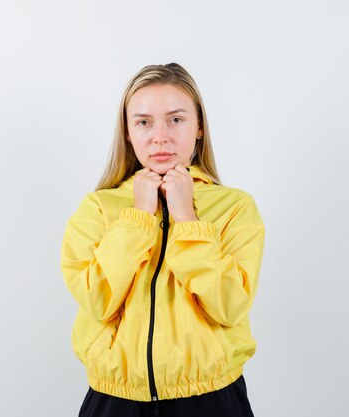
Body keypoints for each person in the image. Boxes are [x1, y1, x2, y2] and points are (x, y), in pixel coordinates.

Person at [60, 63, 265, 417]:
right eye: (143, 121)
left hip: (212, 401)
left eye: (176, 119)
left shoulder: (235, 208)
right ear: (127, 131)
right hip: (115, 402)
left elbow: (229, 304)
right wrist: (138, 218)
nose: (160, 136)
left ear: (199, 127)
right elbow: (98, 300)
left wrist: (187, 218)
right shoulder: (98, 208)